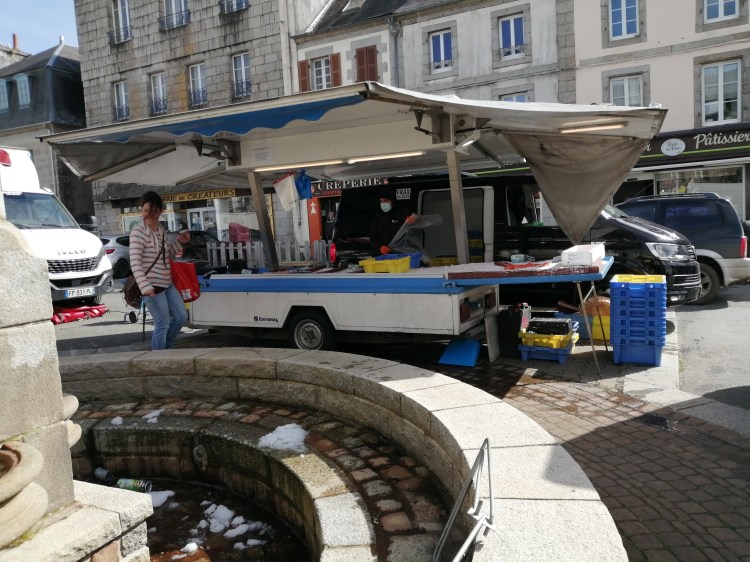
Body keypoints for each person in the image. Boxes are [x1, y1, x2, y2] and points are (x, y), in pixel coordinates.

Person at [129, 191, 191, 350]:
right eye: (146, 211)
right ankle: (159, 357)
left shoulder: (161, 230)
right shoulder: (138, 232)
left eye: (153, 211)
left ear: (160, 211)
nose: (149, 215)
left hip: (167, 283)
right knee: (162, 323)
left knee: (181, 316)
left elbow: (166, 255)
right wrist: (145, 286)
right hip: (152, 287)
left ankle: (166, 349)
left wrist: (180, 242)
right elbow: (135, 263)